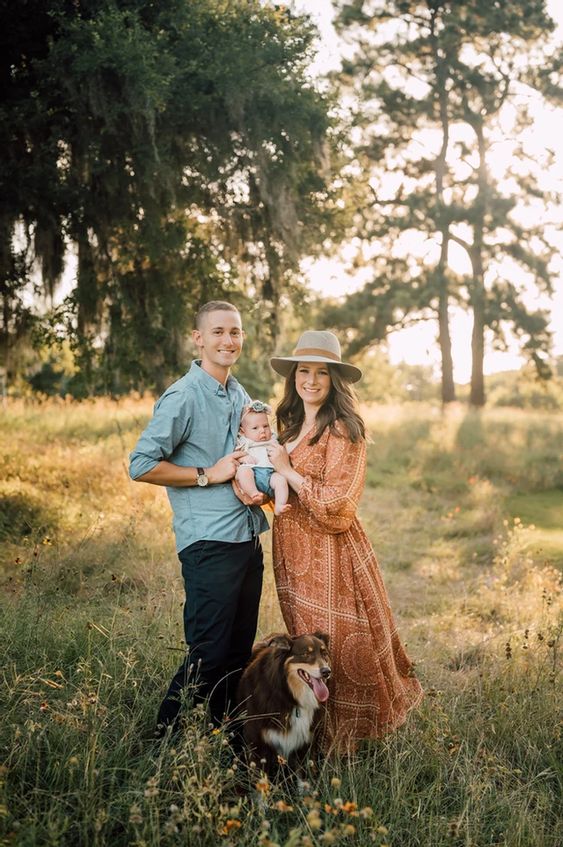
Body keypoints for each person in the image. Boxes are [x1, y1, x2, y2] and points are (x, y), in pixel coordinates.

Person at [267, 330, 423, 753]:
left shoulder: (343, 429)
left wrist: (288, 470)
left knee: (339, 647)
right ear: (294, 377)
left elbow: (339, 505)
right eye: (304, 371)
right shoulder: (293, 425)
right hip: (293, 560)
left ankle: (346, 748)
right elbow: (279, 480)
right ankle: (316, 741)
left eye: (322, 373)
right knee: (307, 646)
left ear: (335, 380)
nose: (311, 381)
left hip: (332, 557)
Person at [129, 301, 268, 735]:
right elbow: (141, 464)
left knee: (236, 653)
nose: (229, 341)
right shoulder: (184, 396)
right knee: (207, 652)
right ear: (199, 338)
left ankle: (219, 740)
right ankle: (162, 744)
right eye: (219, 332)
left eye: (236, 332)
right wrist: (209, 474)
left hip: (246, 540)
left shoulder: (239, 393)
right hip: (209, 544)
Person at [235, 400, 291, 516]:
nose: (262, 431)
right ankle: (254, 493)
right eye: (255, 428)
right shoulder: (244, 441)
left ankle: (279, 504)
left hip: (270, 474)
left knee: (281, 480)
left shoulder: (273, 439)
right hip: (253, 473)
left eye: (265, 426)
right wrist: (243, 458)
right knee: (243, 471)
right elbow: (236, 455)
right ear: (242, 431)